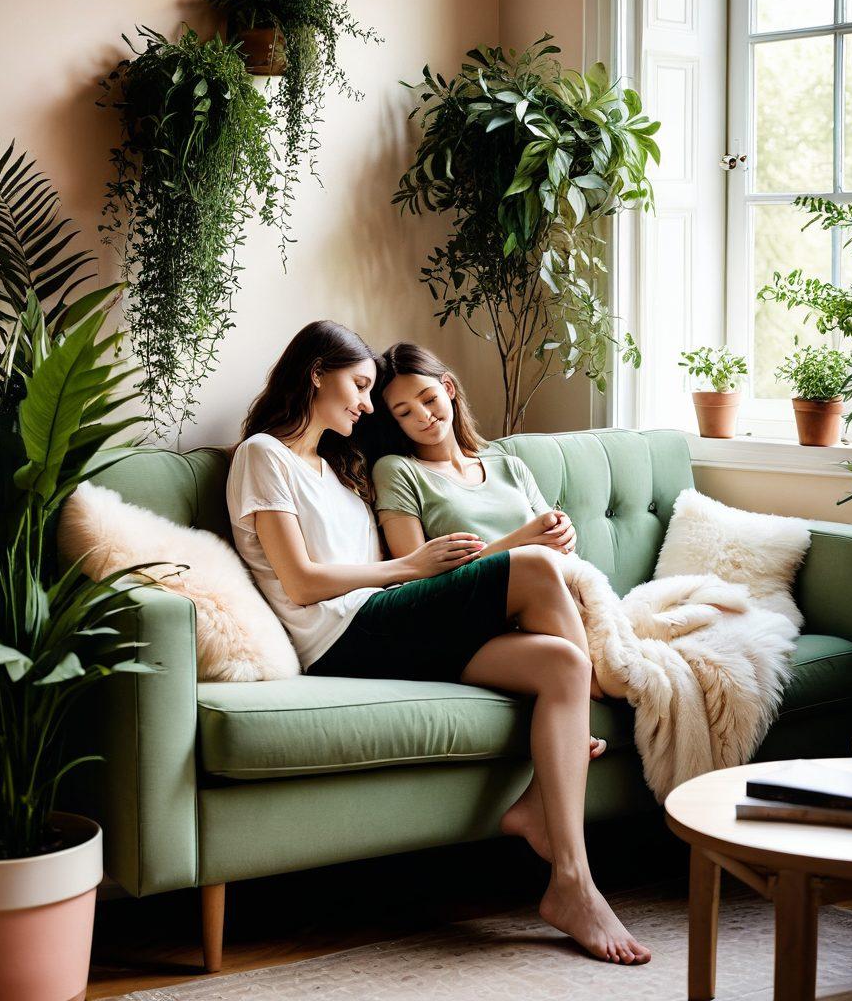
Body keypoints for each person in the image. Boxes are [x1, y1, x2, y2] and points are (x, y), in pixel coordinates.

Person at [225, 320, 651, 965]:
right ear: (317, 374)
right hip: (342, 639)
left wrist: (416, 577)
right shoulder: (264, 455)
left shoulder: (336, 468)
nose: (367, 406)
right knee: (532, 568)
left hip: (390, 626)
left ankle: (567, 875)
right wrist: (411, 566)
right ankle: (581, 843)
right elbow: (302, 582)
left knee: (562, 661)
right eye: (362, 386)